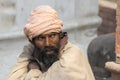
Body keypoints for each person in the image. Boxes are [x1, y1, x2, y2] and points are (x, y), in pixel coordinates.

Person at [7, 5, 95, 80]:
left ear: (60, 36)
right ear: (32, 41)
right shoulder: (36, 52)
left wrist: (34, 70)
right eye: (41, 38)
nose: (48, 43)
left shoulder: (72, 56)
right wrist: (30, 49)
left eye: (52, 36)